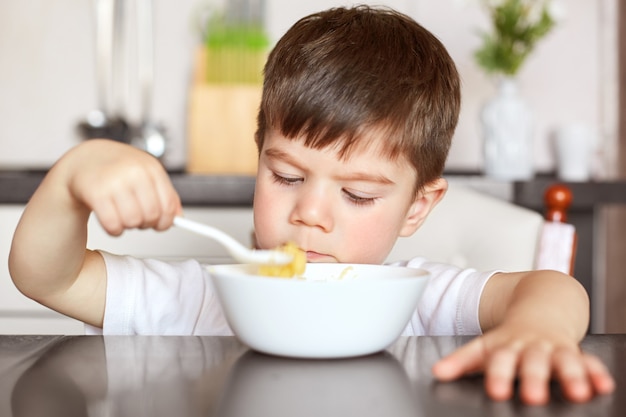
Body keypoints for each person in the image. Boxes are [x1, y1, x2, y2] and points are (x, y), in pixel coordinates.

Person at [9, 5, 614, 406]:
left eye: (357, 194)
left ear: (415, 208)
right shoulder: (197, 298)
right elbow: (45, 276)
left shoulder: (419, 296)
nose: (310, 215)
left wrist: (538, 328)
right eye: (287, 175)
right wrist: (73, 177)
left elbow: (553, 288)